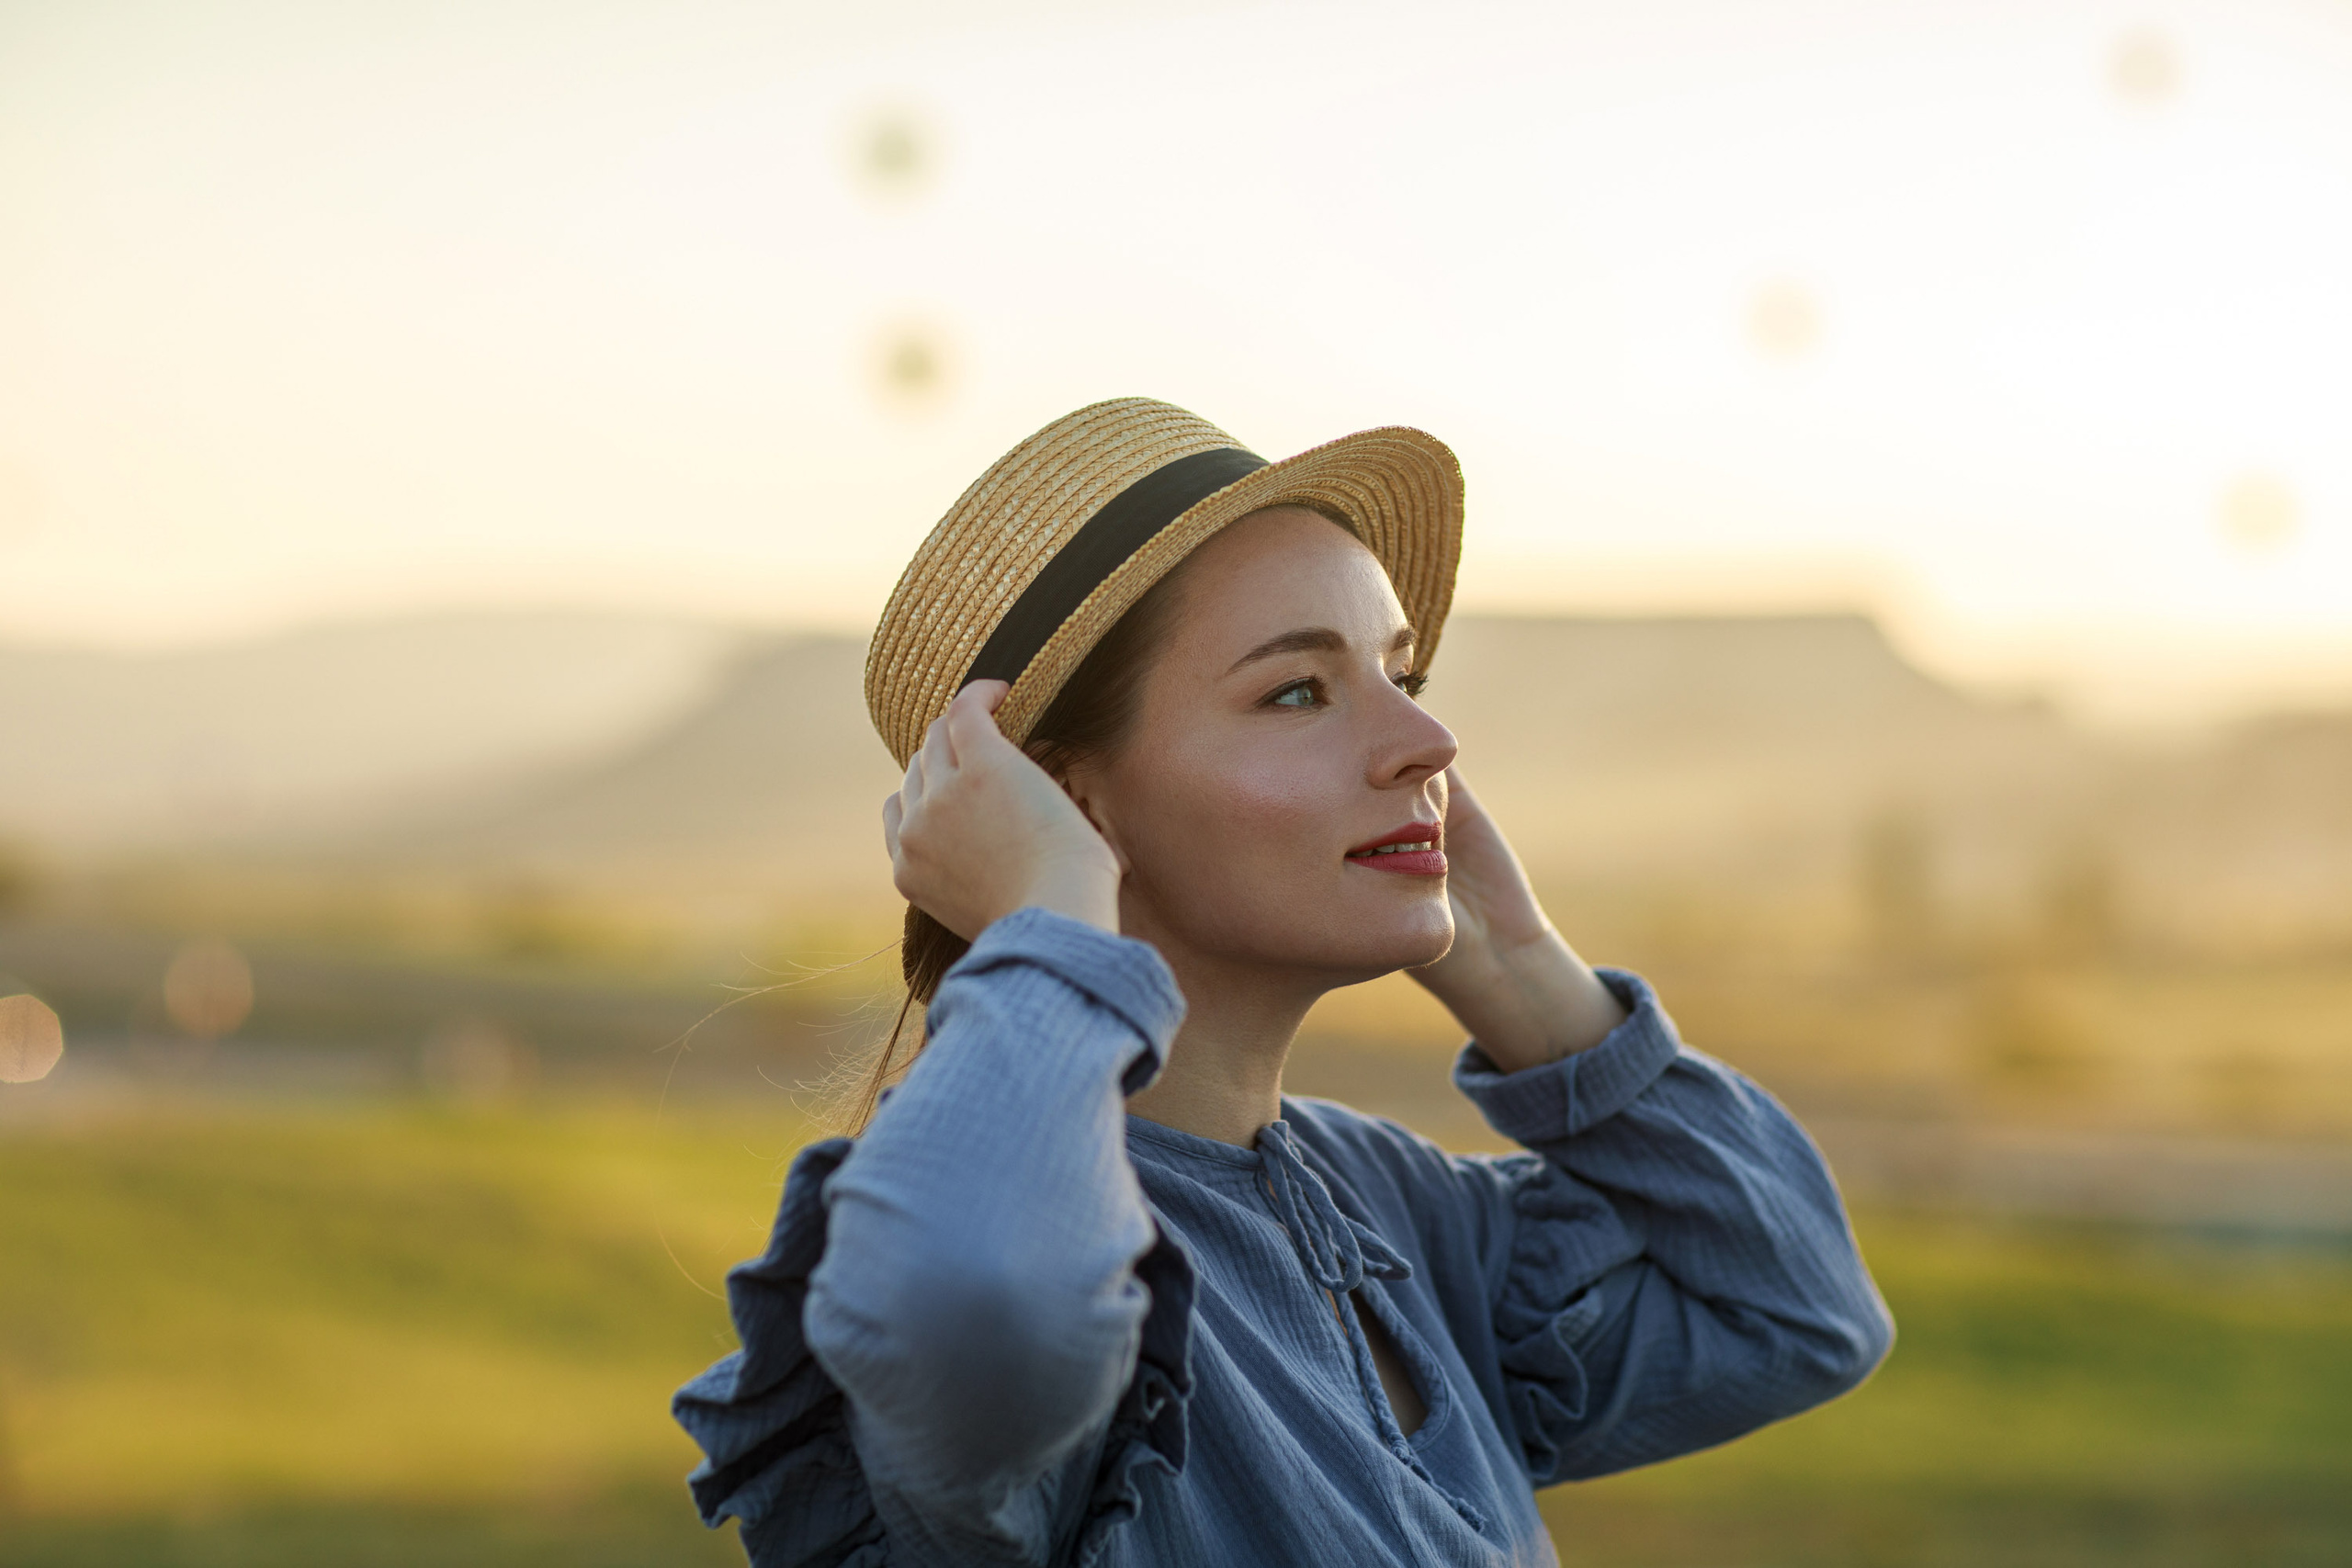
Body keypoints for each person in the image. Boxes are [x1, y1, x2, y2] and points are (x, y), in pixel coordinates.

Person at [673, 398, 1893, 1567]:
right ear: (1067, 802)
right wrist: (1048, 924)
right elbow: (986, 1307)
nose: (1429, 745)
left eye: (1400, 680)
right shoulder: (998, 1235)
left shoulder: (1389, 1209)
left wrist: (1519, 970)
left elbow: (1793, 1307)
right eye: (1298, 691)